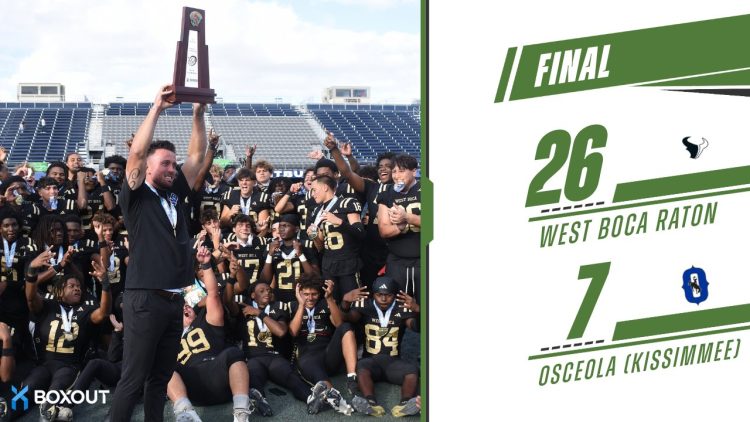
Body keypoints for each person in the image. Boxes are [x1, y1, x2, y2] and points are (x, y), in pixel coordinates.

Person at [108, 85, 209, 422]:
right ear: (148, 169)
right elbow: (135, 156)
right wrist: (157, 108)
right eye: (165, 163)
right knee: (133, 379)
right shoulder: (136, 195)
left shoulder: (176, 193)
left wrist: (198, 113)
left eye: (172, 163)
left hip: (173, 300)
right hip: (144, 299)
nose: (172, 168)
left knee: (160, 379)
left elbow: (196, 157)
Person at [167, 247, 254, 422]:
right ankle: (185, 413)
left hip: (217, 376)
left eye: (187, 306)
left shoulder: (206, 322)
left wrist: (206, 265)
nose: (184, 308)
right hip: (190, 388)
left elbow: (213, 295)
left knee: (233, 353)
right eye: (180, 308)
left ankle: (241, 412)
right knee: (163, 364)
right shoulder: (170, 337)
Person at [24, 248, 111, 422]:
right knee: (29, 386)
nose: (77, 289)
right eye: (71, 286)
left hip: (69, 366)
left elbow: (103, 312)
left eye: (79, 286)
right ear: (59, 291)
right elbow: (31, 298)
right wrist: (32, 271)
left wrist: (105, 284)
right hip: (45, 364)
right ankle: (7, 410)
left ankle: (48, 412)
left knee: (57, 387)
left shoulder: (85, 310)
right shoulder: (48, 305)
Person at [343, 277, 420, 417]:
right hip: (370, 362)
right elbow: (345, 319)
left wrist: (418, 310)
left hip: (393, 363)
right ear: (373, 295)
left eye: (388, 295)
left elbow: (416, 327)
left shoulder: (401, 307)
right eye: (379, 294)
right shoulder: (365, 306)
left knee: (412, 370)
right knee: (361, 367)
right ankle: (371, 403)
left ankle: (405, 404)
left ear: (395, 296)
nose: (383, 299)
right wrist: (345, 302)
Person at [234, 280, 310, 415]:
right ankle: (260, 401)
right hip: (253, 357)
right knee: (253, 377)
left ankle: (311, 398)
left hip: (274, 356)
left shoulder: (278, 306)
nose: (267, 293)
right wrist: (230, 279)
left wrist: (259, 313)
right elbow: (228, 300)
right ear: (253, 295)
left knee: (291, 377)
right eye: (261, 291)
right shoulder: (244, 306)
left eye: (269, 290)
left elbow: (280, 331)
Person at [289, 276, 355, 415]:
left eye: (314, 294)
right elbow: (294, 332)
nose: (310, 298)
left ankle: (352, 377)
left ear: (319, 293)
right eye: (306, 294)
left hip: (328, 354)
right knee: (319, 376)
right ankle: (336, 399)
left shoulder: (325, 303)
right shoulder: (292, 306)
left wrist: (330, 299)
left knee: (346, 327)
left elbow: (339, 325)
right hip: (307, 356)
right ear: (298, 293)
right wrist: (301, 305)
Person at [308, 175, 365, 301]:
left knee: (352, 302)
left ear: (325, 187)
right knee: (332, 302)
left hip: (348, 262)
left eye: (314, 190)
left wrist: (339, 222)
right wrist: (314, 236)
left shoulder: (347, 203)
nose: (312, 194)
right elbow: (320, 247)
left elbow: (361, 233)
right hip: (328, 264)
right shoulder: (317, 211)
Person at [377, 154, 421, 301]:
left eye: (401, 171)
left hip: (423, 260)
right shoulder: (387, 193)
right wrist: (400, 227)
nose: (396, 176)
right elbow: (383, 230)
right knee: (398, 307)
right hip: (398, 261)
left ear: (414, 171)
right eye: (394, 171)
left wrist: (408, 218)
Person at [259, 213, 319, 305]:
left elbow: (314, 277)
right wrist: (270, 255)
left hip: (302, 298)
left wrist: (301, 255)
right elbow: (265, 280)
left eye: (285, 226)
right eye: (280, 226)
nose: (281, 229)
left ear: (296, 229)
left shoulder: (307, 246)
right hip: (280, 299)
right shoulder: (271, 247)